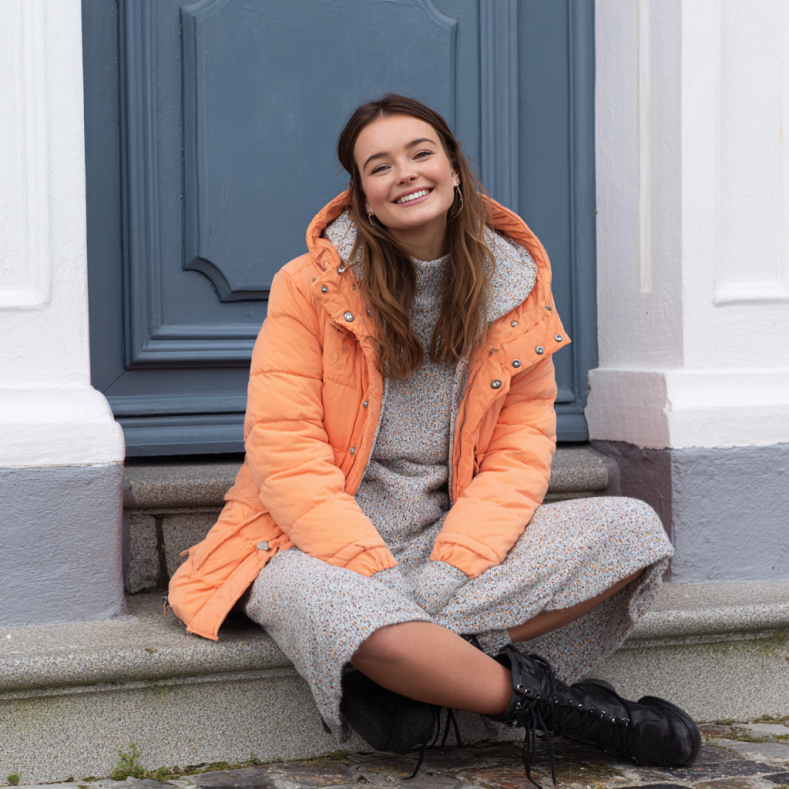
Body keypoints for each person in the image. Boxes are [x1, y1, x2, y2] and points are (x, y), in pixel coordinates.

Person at [167, 94, 699, 784]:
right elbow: (284, 448)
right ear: (362, 196)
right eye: (379, 166)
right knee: (364, 620)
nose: (405, 174)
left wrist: (448, 569)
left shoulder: (514, 289)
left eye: (420, 153)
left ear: (453, 169)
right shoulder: (306, 286)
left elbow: (517, 457)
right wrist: (376, 577)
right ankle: (572, 713)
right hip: (308, 543)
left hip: (446, 541)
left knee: (633, 531)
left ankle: (405, 678)